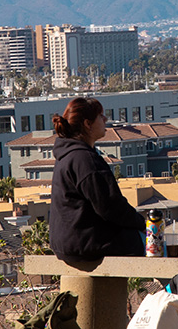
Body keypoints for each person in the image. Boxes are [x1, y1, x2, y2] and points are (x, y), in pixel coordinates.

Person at [49, 97, 146, 263]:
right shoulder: (85, 159)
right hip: (86, 244)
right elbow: (110, 207)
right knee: (156, 244)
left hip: (66, 244)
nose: (105, 119)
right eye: (101, 116)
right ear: (87, 124)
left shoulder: (67, 155)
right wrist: (143, 224)